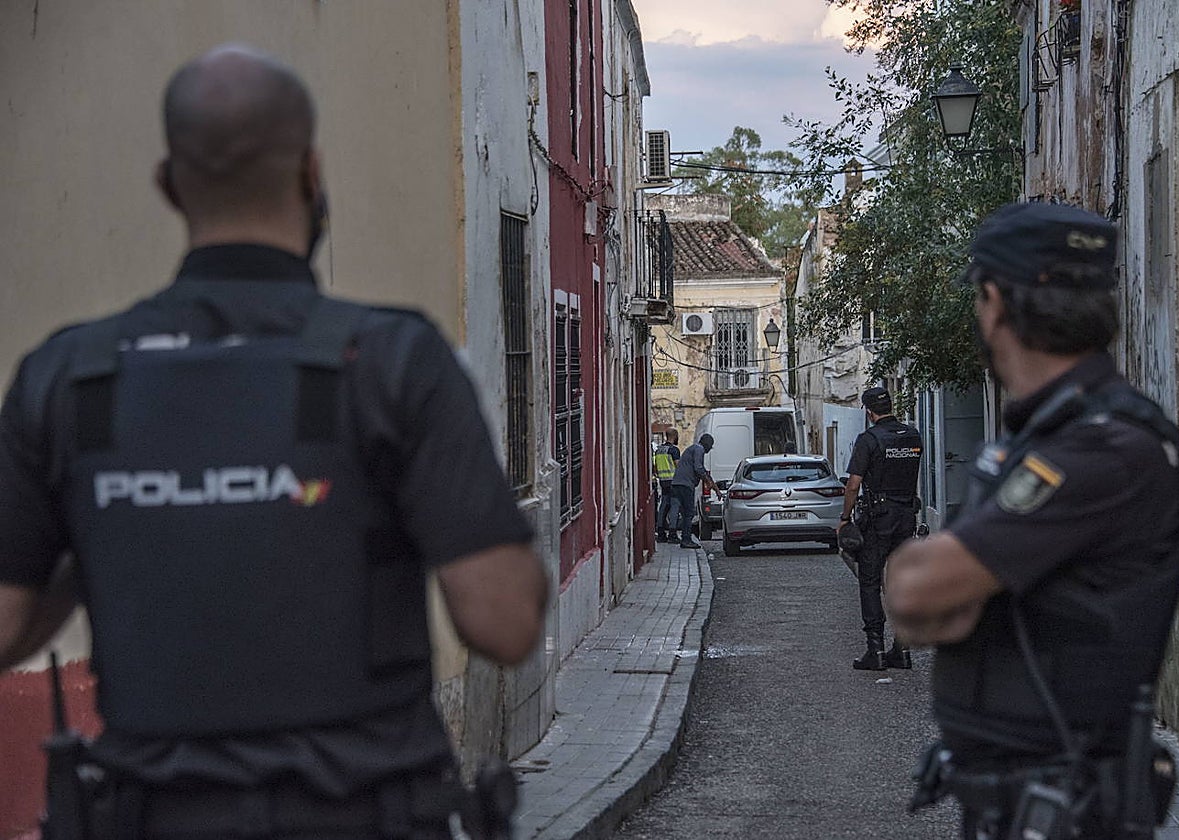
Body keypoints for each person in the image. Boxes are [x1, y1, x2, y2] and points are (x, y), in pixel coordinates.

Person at [0, 45, 548, 839]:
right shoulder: (393, 362)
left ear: (166, 184)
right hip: (364, 812)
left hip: (150, 815)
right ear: (312, 172)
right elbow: (504, 622)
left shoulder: (68, 376)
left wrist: (118, 527)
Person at [886, 202, 1179, 839]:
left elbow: (916, 592)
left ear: (995, 302)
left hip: (1069, 802)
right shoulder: (1050, 436)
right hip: (1019, 797)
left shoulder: (1103, 448)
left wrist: (949, 579)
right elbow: (924, 618)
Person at [837, 386, 923, 671]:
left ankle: (876, 651)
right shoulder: (912, 435)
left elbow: (853, 484)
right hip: (906, 515)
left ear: (869, 411)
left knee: (870, 582)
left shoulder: (869, 439)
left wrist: (845, 518)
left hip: (879, 517)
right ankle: (902, 648)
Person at [671, 433, 717, 550]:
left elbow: (702, 470)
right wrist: (706, 480)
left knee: (681, 511)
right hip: (685, 484)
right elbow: (698, 468)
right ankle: (686, 539)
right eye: (710, 447)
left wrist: (714, 487)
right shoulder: (699, 449)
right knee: (689, 513)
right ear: (707, 444)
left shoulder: (693, 448)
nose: (709, 450)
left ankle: (677, 535)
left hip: (677, 483)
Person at [654, 428, 682, 543]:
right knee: (675, 506)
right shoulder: (674, 450)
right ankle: (672, 534)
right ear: (674, 436)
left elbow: (655, 467)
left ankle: (660, 533)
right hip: (673, 481)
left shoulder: (658, 450)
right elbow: (678, 466)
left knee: (663, 506)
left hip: (663, 481)